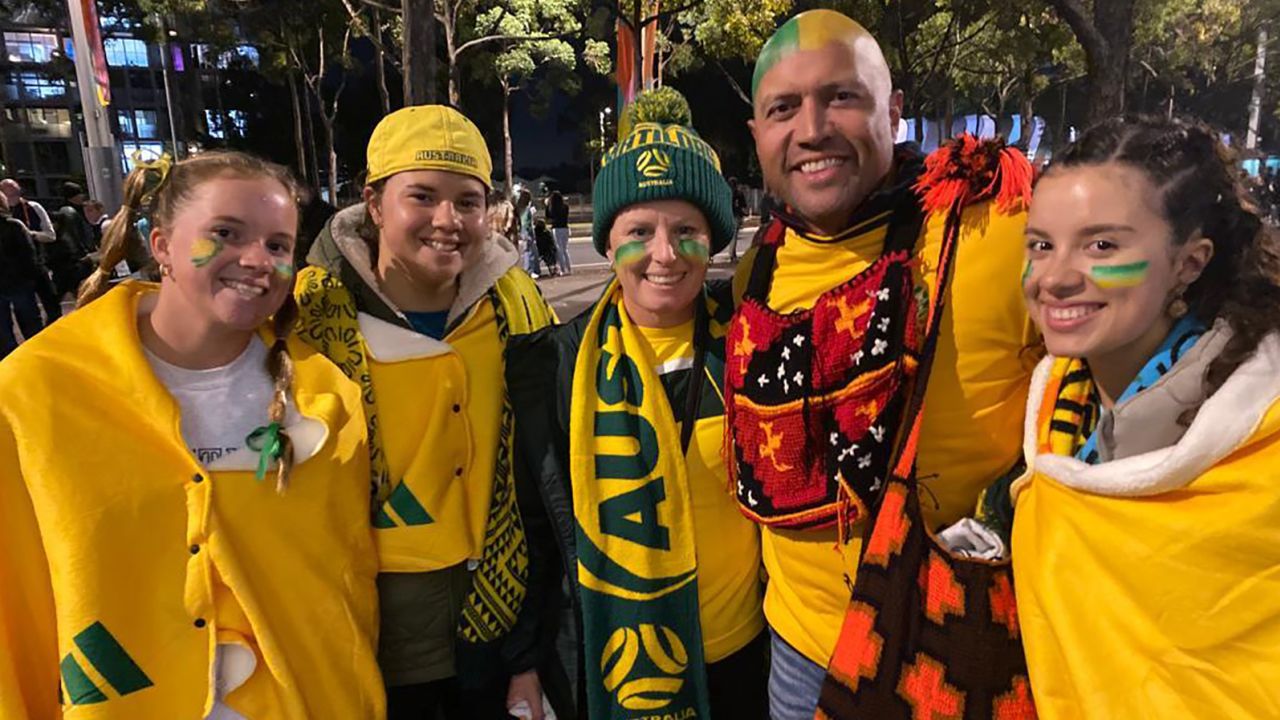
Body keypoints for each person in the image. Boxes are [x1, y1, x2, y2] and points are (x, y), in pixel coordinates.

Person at [727, 10, 1036, 718]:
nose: (811, 129)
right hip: (797, 655)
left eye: (842, 96)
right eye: (783, 108)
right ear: (758, 137)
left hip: (949, 651)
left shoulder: (998, 227)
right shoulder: (756, 268)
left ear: (894, 111)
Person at [0, 151, 384, 719]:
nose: (257, 260)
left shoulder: (327, 401)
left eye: (278, 245)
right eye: (226, 233)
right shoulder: (37, 393)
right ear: (161, 247)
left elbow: (346, 591)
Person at [507, 94, 768, 720]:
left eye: (687, 231)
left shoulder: (751, 342)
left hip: (745, 662)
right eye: (638, 233)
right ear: (606, 241)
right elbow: (534, 535)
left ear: (714, 238)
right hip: (612, 667)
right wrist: (523, 664)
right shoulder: (552, 365)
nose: (664, 254)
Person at [1010, 116, 1280, 718]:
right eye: (1041, 244)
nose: (1054, 278)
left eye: (1102, 245)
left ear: (1189, 262)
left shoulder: (1264, 440)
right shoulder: (1056, 402)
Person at [294, 104, 556, 720]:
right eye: (423, 196)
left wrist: (529, 654)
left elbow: (536, 483)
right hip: (366, 633)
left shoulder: (515, 306)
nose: (448, 221)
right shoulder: (308, 319)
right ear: (375, 203)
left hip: (495, 628)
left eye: (467, 201)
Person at [1, 178, 62, 322]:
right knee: (25, 314)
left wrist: (30, 234)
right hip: (13, 275)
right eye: (8, 195)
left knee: (51, 304)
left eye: (15, 194)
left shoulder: (32, 207)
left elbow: (51, 235)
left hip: (37, 264)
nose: (12, 199)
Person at [0, 193, 44, 357]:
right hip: (19, 282)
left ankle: (10, 363)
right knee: (31, 324)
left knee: (3, 331)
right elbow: (29, 254)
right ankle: (37, 356)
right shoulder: (14, 226)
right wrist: (31, 278)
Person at [49, 181, 95, 299]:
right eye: (79, 194)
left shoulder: (68, 211)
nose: (82, 196)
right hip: (75, 260)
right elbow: (75, 235)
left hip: (70, 260)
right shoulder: (70, 212)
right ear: (73, 196)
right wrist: (83, 254)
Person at [515, 187, 540, 278]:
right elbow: (529, 220)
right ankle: (530, 270)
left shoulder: (520, 207)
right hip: (528, 229)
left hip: (524, 230)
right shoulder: (527, 208)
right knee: (530, 251)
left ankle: (532, 269)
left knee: (529, 250)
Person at [546, 190, 572, 275]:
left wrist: (547, 205)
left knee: (559, 249)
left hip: (556, 228)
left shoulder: (552, 208)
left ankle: (562, 269)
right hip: (565, 228)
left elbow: (548, 217)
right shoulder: (565, 207)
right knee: (565, 249)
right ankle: (569, 268)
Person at [728, 176, 748, 261]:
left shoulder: (727, 193)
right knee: (734, 236)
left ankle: (731, 253)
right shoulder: (739, 193)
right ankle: (732, 254)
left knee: (730, 236)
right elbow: (743, 205)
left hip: (728, 215)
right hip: (736, 215)